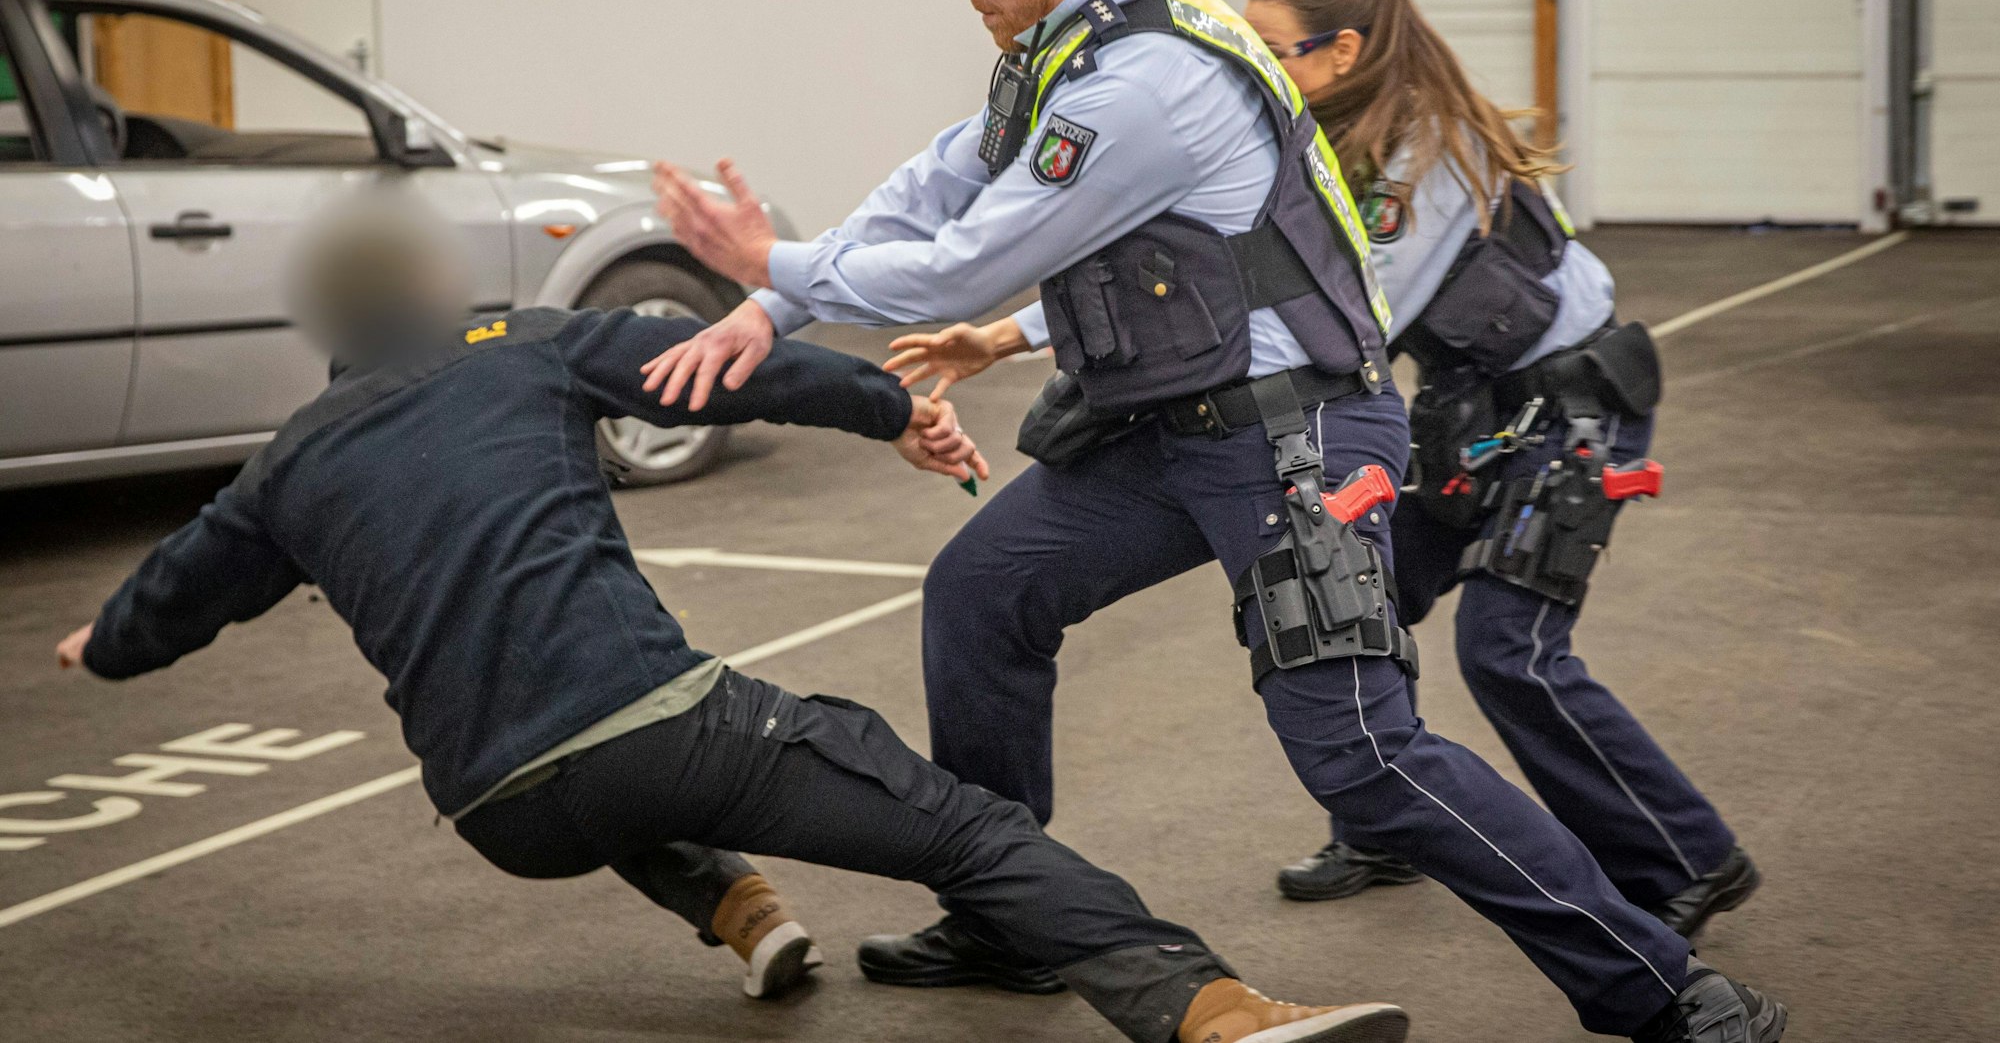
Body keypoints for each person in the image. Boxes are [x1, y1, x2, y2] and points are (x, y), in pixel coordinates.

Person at [644, 0, 1782, 1040]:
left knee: (1360, 755)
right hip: (1170, 431)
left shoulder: (1141, 80)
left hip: (1296, 440)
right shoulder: (1067, 53)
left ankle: (1666, 991)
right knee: (981, 593)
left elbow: (972, 259)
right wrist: (767, 302)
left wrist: (770, 262)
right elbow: (933, 185)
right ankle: (1009, 920)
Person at [52, 199, 1413, 1043]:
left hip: (496, 811)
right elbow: (717, 374)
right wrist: (894, 411)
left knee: (586, 773)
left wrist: (101, 644)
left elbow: (178, 591)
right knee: (962, 822)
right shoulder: (516, 345)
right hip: (652, 728)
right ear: (430, 302)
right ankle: (1208, 1010)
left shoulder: (287, 458)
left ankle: (738, 905)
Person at [1231, 0, 1762, 940]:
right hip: (1474, 410)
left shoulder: (1423, 154)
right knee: (1364, 599)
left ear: (1339, 51)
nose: (1255, 67)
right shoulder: (1332, 134)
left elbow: (1349, 320)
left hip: (1572, 413)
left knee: (1506, 650)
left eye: (1271, 49)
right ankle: (1384, 823)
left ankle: (1685, 857)